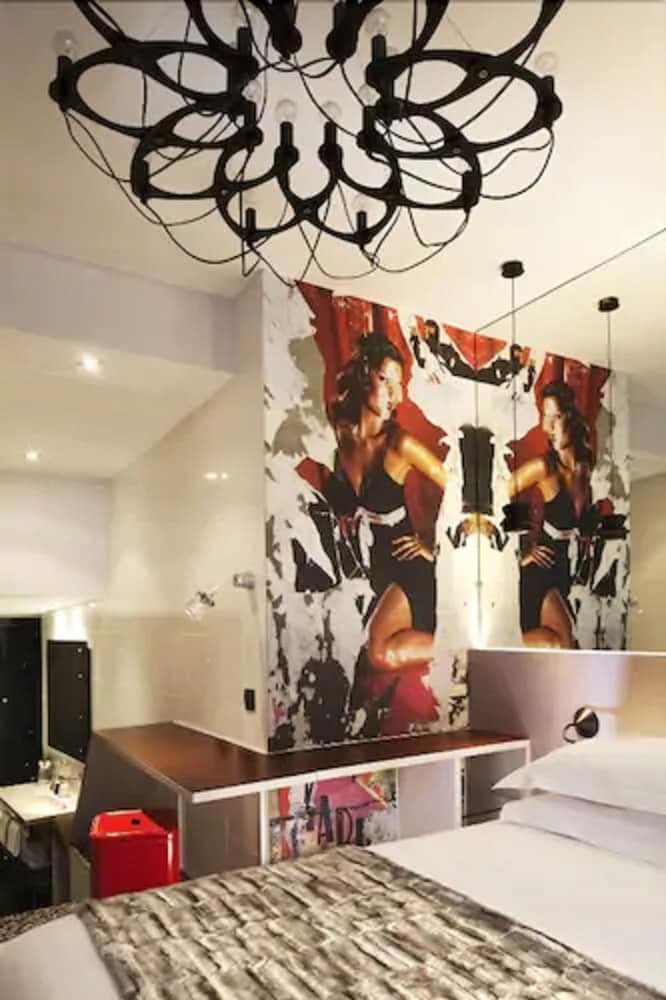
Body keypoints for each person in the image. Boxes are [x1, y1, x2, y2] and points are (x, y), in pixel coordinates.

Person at [320, 332, 448, 732]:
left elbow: (455, 484)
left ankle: (461, 648)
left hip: (408, 568)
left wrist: (431, 542)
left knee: (380, 654)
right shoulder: (339, 434)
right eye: (385, 380)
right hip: (370, 566)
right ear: (363, 377)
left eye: (400, 383)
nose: (396, 394)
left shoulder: (400, 444)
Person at [508, 381, 593, 648]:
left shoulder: (585, 467)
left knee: (563, 646)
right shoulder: (543, 467)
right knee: (563, 643)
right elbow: (501, 493)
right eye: (545, 417)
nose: (549, 426)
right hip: (541, 569)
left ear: (571, 418)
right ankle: (493, 648)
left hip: (568, 570)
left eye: (556, 416)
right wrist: (522, 550)